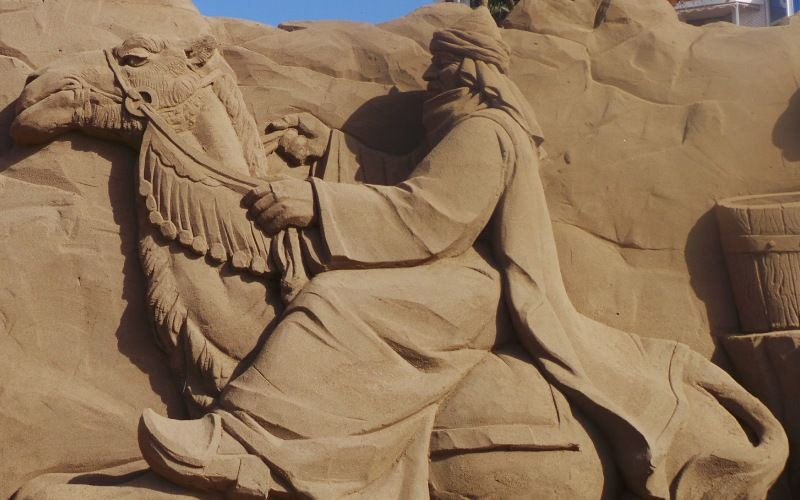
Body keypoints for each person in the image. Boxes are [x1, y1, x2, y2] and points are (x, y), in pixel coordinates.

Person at [138, 7, 787, 499]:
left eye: (439, 72)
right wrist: (333, 150)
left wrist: (319, 203)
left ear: (468, 74)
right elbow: (419, 179)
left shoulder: (483, 130)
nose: (430, 84)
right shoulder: (469, 133)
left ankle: (246, 445)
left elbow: (431, 216)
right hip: (458, 272)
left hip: (482, 287)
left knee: (337, 300)